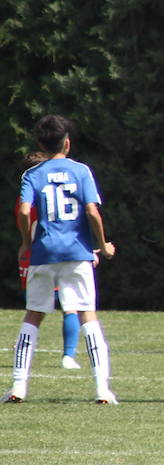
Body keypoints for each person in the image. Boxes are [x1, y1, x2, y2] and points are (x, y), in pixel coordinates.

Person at [5, 116, 117, 404]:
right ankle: (101, 389)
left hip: (43, 253)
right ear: (67, 143)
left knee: (33, 315)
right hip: (76, 253)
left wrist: (26, 244)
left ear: (40, 144)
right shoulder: (81, 171)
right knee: (86, 315)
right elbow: (92, 211)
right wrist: (102, 245)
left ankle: (18, 386)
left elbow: (23, 211)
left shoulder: (33, 174)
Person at [15, 150, 81, 369]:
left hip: (33, 256)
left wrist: (25, 243)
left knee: (34, 311)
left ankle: (22, 357)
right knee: (71, 306)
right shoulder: (51, 194)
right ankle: (68, 356)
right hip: (62, 252)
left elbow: (24, 218)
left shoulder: (23, 200)